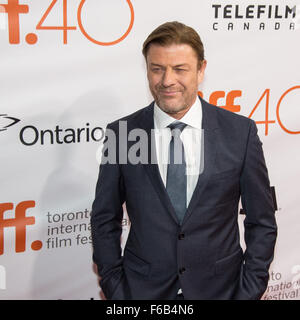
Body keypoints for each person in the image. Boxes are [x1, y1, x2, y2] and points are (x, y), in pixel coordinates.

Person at [91, 21, 277, 300]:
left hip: (221, 291)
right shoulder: (123, 134)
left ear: (201, 70)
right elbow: (105, 218)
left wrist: (249, 290)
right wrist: (116, 287)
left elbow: (261, 220)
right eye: (157, 69)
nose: (167, 80)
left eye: (180, 69)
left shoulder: (240, 133)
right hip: (142, 293)